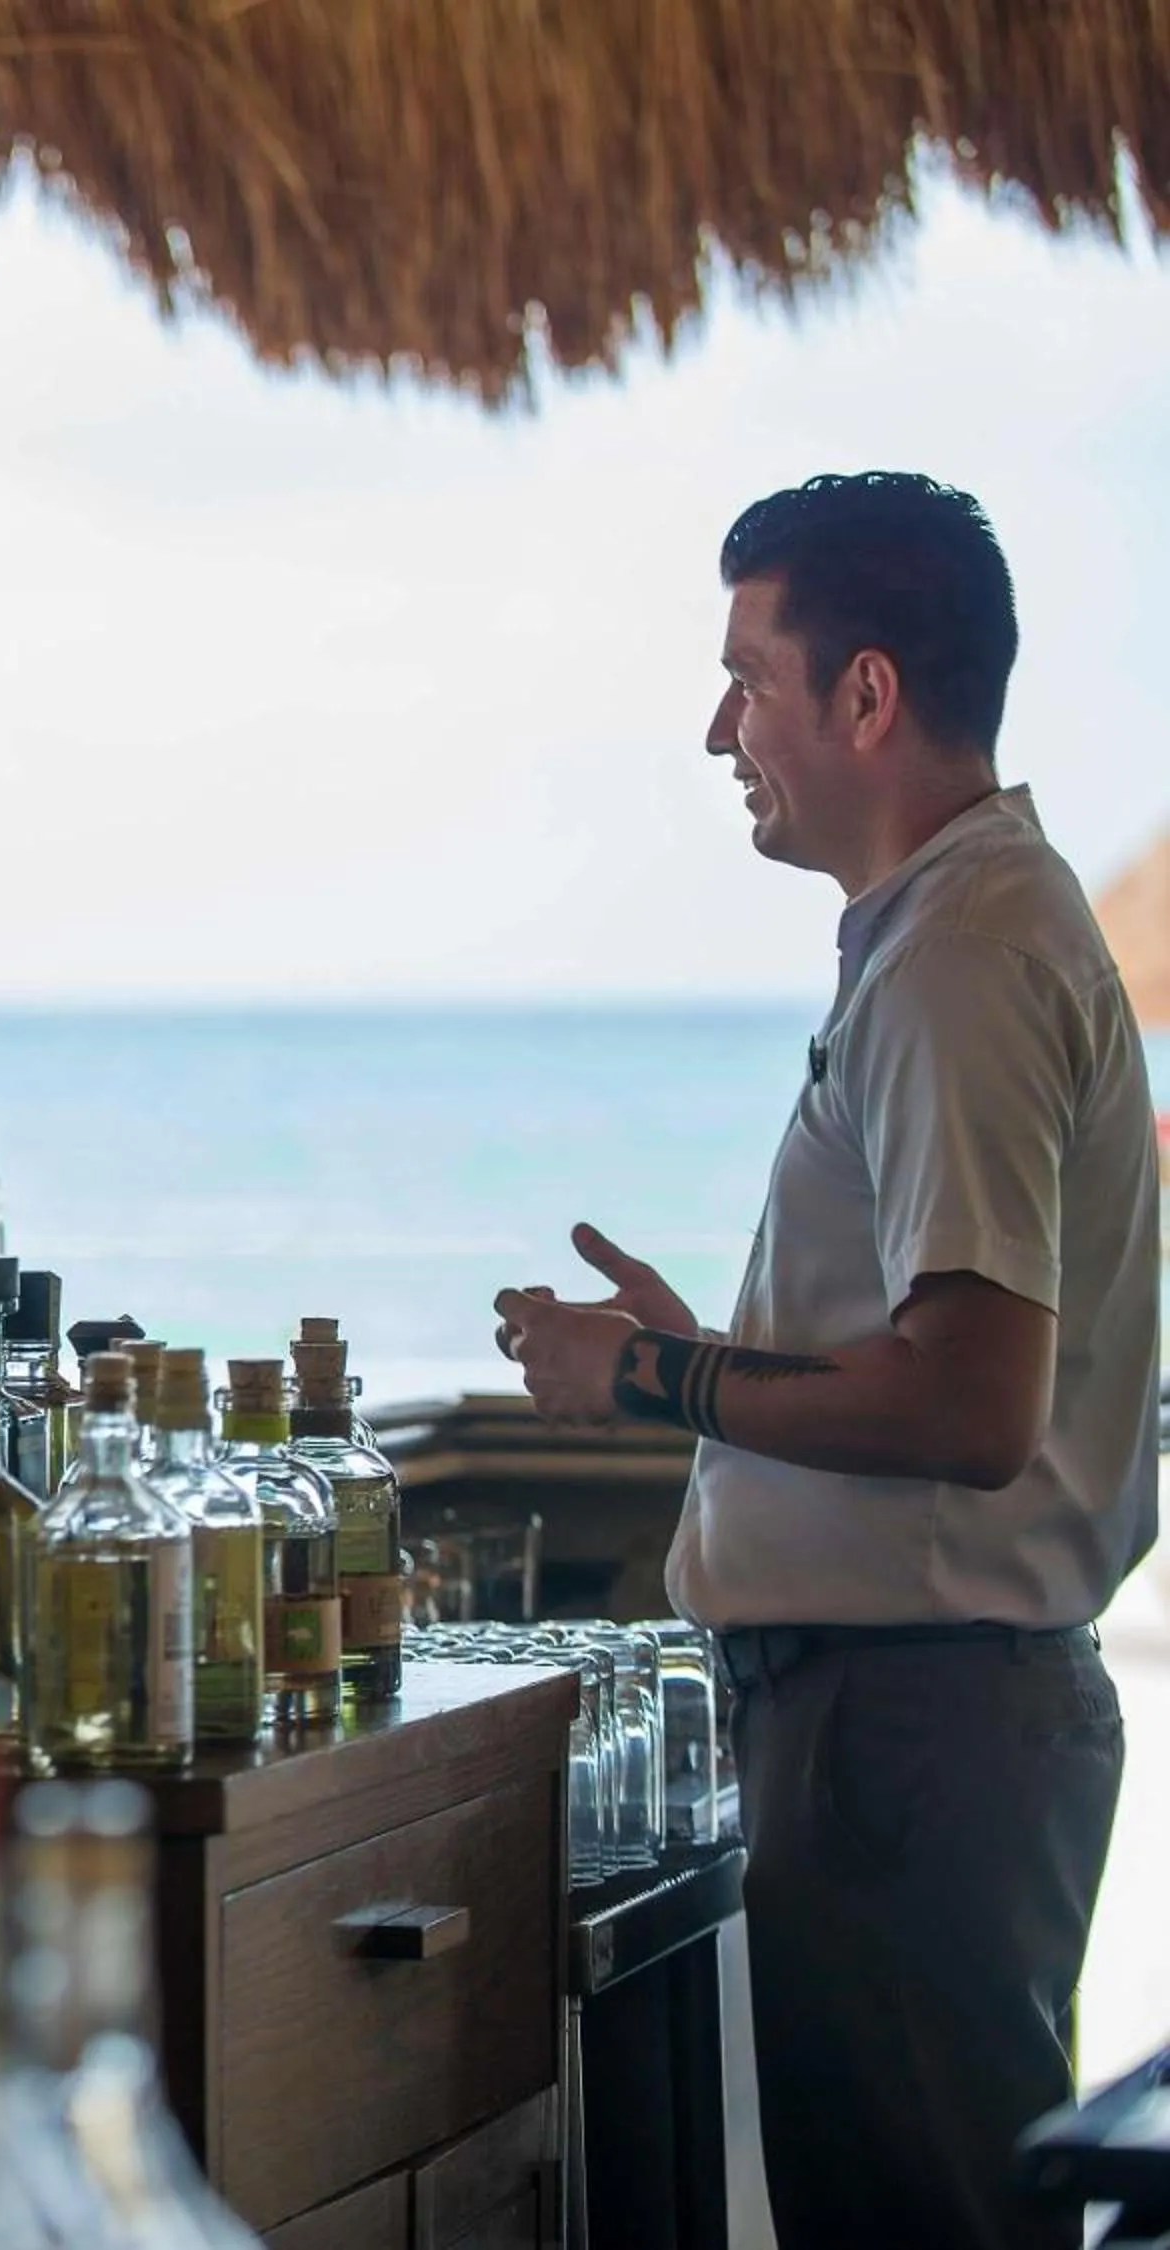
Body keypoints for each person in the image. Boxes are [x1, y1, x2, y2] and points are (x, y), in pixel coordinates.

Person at [492, 473, 1154, 2250]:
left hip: (913, 1728)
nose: (720, 732)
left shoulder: (965, 953)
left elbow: (970, 1398)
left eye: (749, 680)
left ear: (867, 696)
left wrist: (648, 1383)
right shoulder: (949, 935)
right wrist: (708, 1355)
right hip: (911, 1722)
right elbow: (938, 1356)